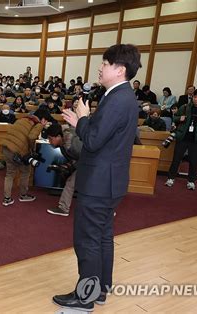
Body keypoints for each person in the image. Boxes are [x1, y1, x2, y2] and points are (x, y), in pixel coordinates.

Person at [59, 44, 142, 311]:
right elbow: (104, 134)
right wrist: (81, 122)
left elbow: (93, 140)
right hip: (110, 180)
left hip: (99, 182)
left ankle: (85, 297)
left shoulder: (117, 98)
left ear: (119, 70)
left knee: (87, 240)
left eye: (104, 64)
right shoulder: (122, 96)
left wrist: (83, 120)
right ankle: (100, 290)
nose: (100, 68)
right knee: (102, 237)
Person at [165, 88, 197, 190]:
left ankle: (191, 181)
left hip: (196, 139)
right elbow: (175, 117)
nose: (196, 99)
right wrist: (179, 118)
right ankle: (170, 178)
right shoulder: (185, 107)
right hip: (183, 137)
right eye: (194, 97)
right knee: (176, 159)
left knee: (193, 161)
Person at [0, 108, 50, 206]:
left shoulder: (22, 119)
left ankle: (7, 198)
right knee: (26, 171)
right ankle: (23, 195)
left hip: (6, 147)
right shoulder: (38, 124)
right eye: (46, 121)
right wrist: (32, 150)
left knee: (10, 174)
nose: (46, 123)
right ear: (43, 119)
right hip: (18, 152)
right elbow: (31, 137)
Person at [45, 123, 82, 216]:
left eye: (51, 139)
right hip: (86, 163)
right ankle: (63, 208)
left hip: (95, 163)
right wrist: (69, 165)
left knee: (93, 187)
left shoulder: (73, 142)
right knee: (71, 183)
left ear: (58, 136)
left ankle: (105, 210)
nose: (50, 142)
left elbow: (86, 156)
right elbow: (76, 159)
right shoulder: (63, 145)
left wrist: (73, 165)